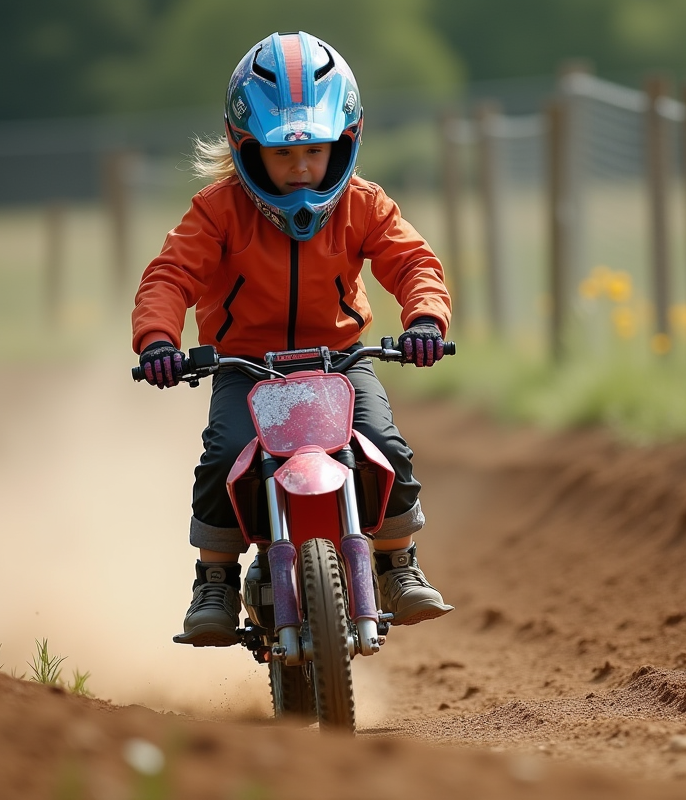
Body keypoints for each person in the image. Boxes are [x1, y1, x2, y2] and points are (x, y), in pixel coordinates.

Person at [131, 31, 453, 647]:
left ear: (347, 142)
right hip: (244, 366)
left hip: (342, 361)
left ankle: (396, 562)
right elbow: (169, 276)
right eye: (282, 155)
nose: (302, 168)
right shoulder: (217, 211)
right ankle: (216, 579)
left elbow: (414, 263)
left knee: (385, 445)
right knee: (225, 458)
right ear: (246, 149)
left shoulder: (364, 205)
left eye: (316, 151)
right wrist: (157, 340)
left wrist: (424, 322)